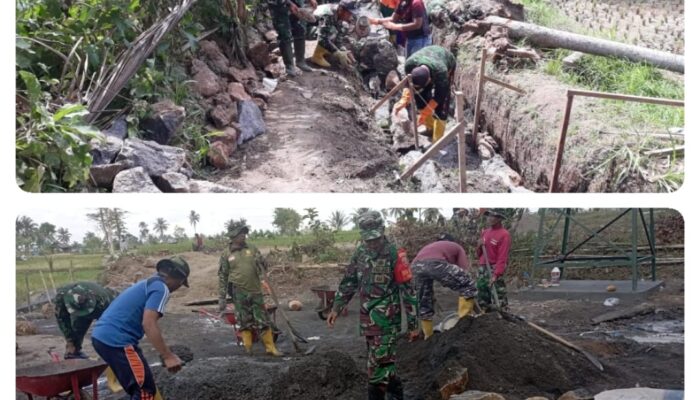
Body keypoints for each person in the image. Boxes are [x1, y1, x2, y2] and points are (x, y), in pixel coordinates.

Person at [327, 211, 419, 400]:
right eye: (368, 240)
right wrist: (336, 307)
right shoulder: (360, 253)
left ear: (382, 231)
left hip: (386, 322)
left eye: (375, 239)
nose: (372, 243)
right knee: (384, 365)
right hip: (367, 322)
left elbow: (408, 291)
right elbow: (349, 282)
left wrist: (413, 324)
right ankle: (396, 395)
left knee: (377, 371)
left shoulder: (395, 254)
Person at [91, 256, 190, 400]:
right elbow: (149, 323)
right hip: (118, 341)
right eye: (181, 284)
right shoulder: (161, 288)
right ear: (178, 279)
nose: (178, 288)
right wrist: (168, 356)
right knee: (145, 391)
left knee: (137, 388)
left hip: (102, 337)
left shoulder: (147, 283)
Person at [218, 221, 282, 356]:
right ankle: (248, 348)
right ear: (233, 236)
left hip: (255, 290)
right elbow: (223, 276)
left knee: (263, 319)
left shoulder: (252, 248)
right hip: (238, 291)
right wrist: (222, 298)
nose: (244, 236)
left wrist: (263, 263)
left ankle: (271, 348)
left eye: (244, 234)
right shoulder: (226, 254)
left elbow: (263, 267)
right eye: (241, 234)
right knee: (244, 320)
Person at [410, 234, 477, 339]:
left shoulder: (433, 246)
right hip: (434, 263)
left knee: (425, 301)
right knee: (468, 285)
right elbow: (464, 272)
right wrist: (472, 297)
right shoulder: (457, 247)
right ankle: (464, 323)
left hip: (415, 266)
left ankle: (428, 336)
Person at [394, 45, 455, 143]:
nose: (417, 89)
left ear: (430, 80)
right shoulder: (410, 65)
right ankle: (429, 128)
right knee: (420, 97)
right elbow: (408, 83)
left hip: (445, 59)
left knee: (441, 106)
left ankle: (437, 140)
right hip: (427, 57)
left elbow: (440, 95)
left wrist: (426, 112)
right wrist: (404, 99)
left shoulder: (441, 72)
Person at [54, 281, 117, 359]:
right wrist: (70, 340)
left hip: (100, 308)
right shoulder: (61, 296)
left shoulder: (103, 300)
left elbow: (112, 323)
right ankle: (73, 353)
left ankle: (112, 354)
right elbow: (62, 319)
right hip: (83, 309)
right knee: (77, 328)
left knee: (108, 334)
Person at [267, 0, 317, 76]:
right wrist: (289, 3)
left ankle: (300, 61)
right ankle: (289, 66)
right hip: (279, 5)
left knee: (300, 29)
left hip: (296, 3)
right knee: (284, 34)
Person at [476, 209, 512, 310]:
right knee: (482, 294)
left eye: (493, 216)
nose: (490, 218)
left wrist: (496, 274)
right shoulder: (485, 232)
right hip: (483, 268)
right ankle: (485, 317)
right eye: (489, 216)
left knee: (498, 295)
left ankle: (503, 315)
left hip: (494, 268)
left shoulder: (504, 234)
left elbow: (502, 256)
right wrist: (479, 246)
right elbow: (479, 254)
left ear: (499, 219)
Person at [309, 0, 358, 69]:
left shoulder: (338, 13)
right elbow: (322, 38)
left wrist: (343, 51)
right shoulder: (328, 15)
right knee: (331, 32)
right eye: (349, 13)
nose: (350, 16)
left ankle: (326, 50)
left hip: (315, 28)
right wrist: (337, 53)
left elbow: (338, 39)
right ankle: (317, 56)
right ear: (341, 10)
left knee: (342, 28)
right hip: (305, 29)